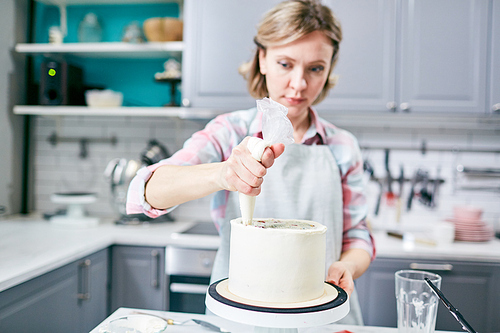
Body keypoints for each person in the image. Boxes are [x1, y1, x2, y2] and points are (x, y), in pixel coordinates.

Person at [126, 0, 375, 325]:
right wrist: (223, 173)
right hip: (242, 320)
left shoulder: (342, 146)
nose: (299, 84)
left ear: (329, 68)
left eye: (315, 68)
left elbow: (358, 237)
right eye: (285, 64)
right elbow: (146, 191)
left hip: (324, 317)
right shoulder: (228, 132)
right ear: (262, 59)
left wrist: (347, 266)